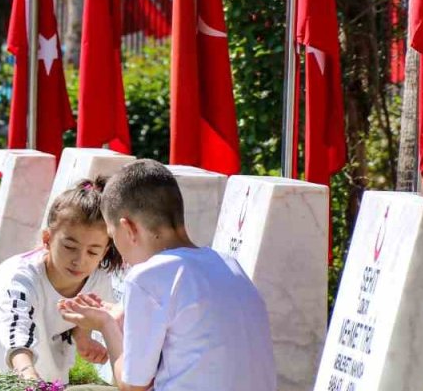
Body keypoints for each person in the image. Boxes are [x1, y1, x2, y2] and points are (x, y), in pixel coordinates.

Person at [59, 160, 276, 391]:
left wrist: (107, 324)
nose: (119, 253)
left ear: (129, 229)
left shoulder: (147, 276)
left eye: (113, 237)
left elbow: (133, 385)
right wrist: (122, 315)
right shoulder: (229, 264)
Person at [0, 175, 121, 385]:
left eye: (93, 252)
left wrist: (83, 338)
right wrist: (28, 375)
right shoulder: (20, 277)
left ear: (105, 251)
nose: (79, 260)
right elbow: (17, 330)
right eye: (70, 247)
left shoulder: (98, 278)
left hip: (45, 374)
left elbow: (89, 312)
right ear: (47, 238)